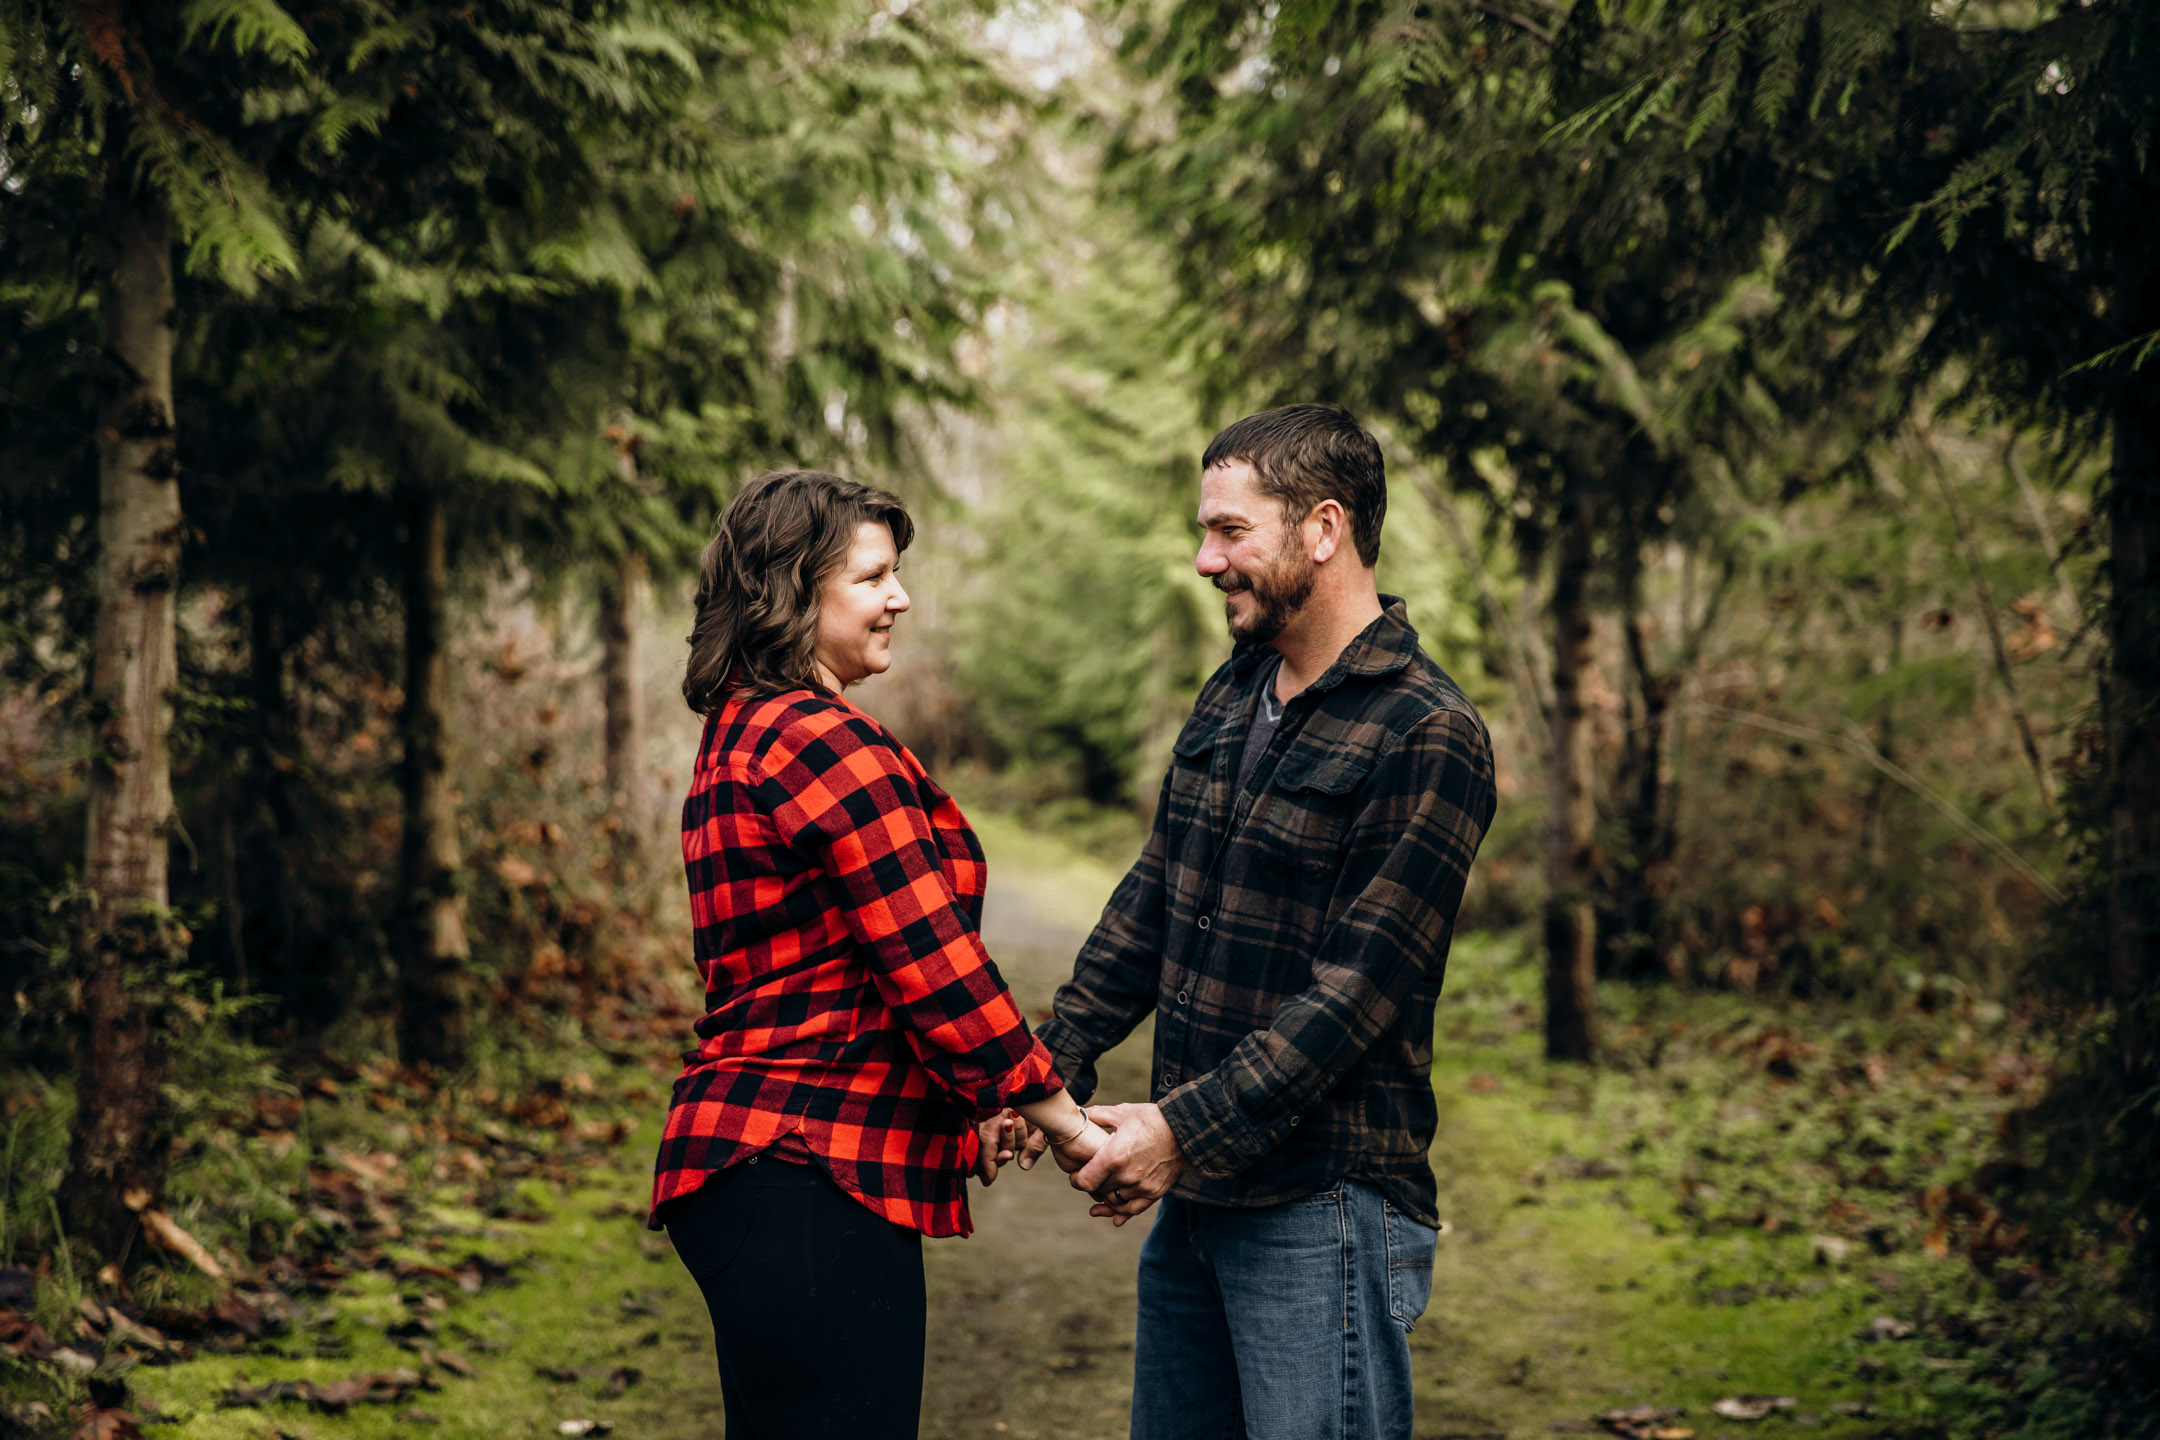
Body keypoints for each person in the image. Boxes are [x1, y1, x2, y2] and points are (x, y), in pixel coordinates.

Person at [1020, 405, 1499, 1440]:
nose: (1204, 560)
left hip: (1321, 1208)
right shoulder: (1237, 690)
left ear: (1322, 529)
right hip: (1199, 1210)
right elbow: (1156, 894)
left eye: (1230, 531)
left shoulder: (1429, 732)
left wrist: (1177, 1132)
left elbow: (1352, 997)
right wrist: (1051, 1062)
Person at [649, 468, 1107, 1440]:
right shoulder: (817, 740)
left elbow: (842, 968)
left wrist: (973, 1097)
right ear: (790, 590)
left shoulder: (743, 731)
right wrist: (1064, 1122)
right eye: (872, 577)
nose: (899, 597)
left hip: (764, 1169)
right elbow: (928, 960)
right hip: (807, 1165)